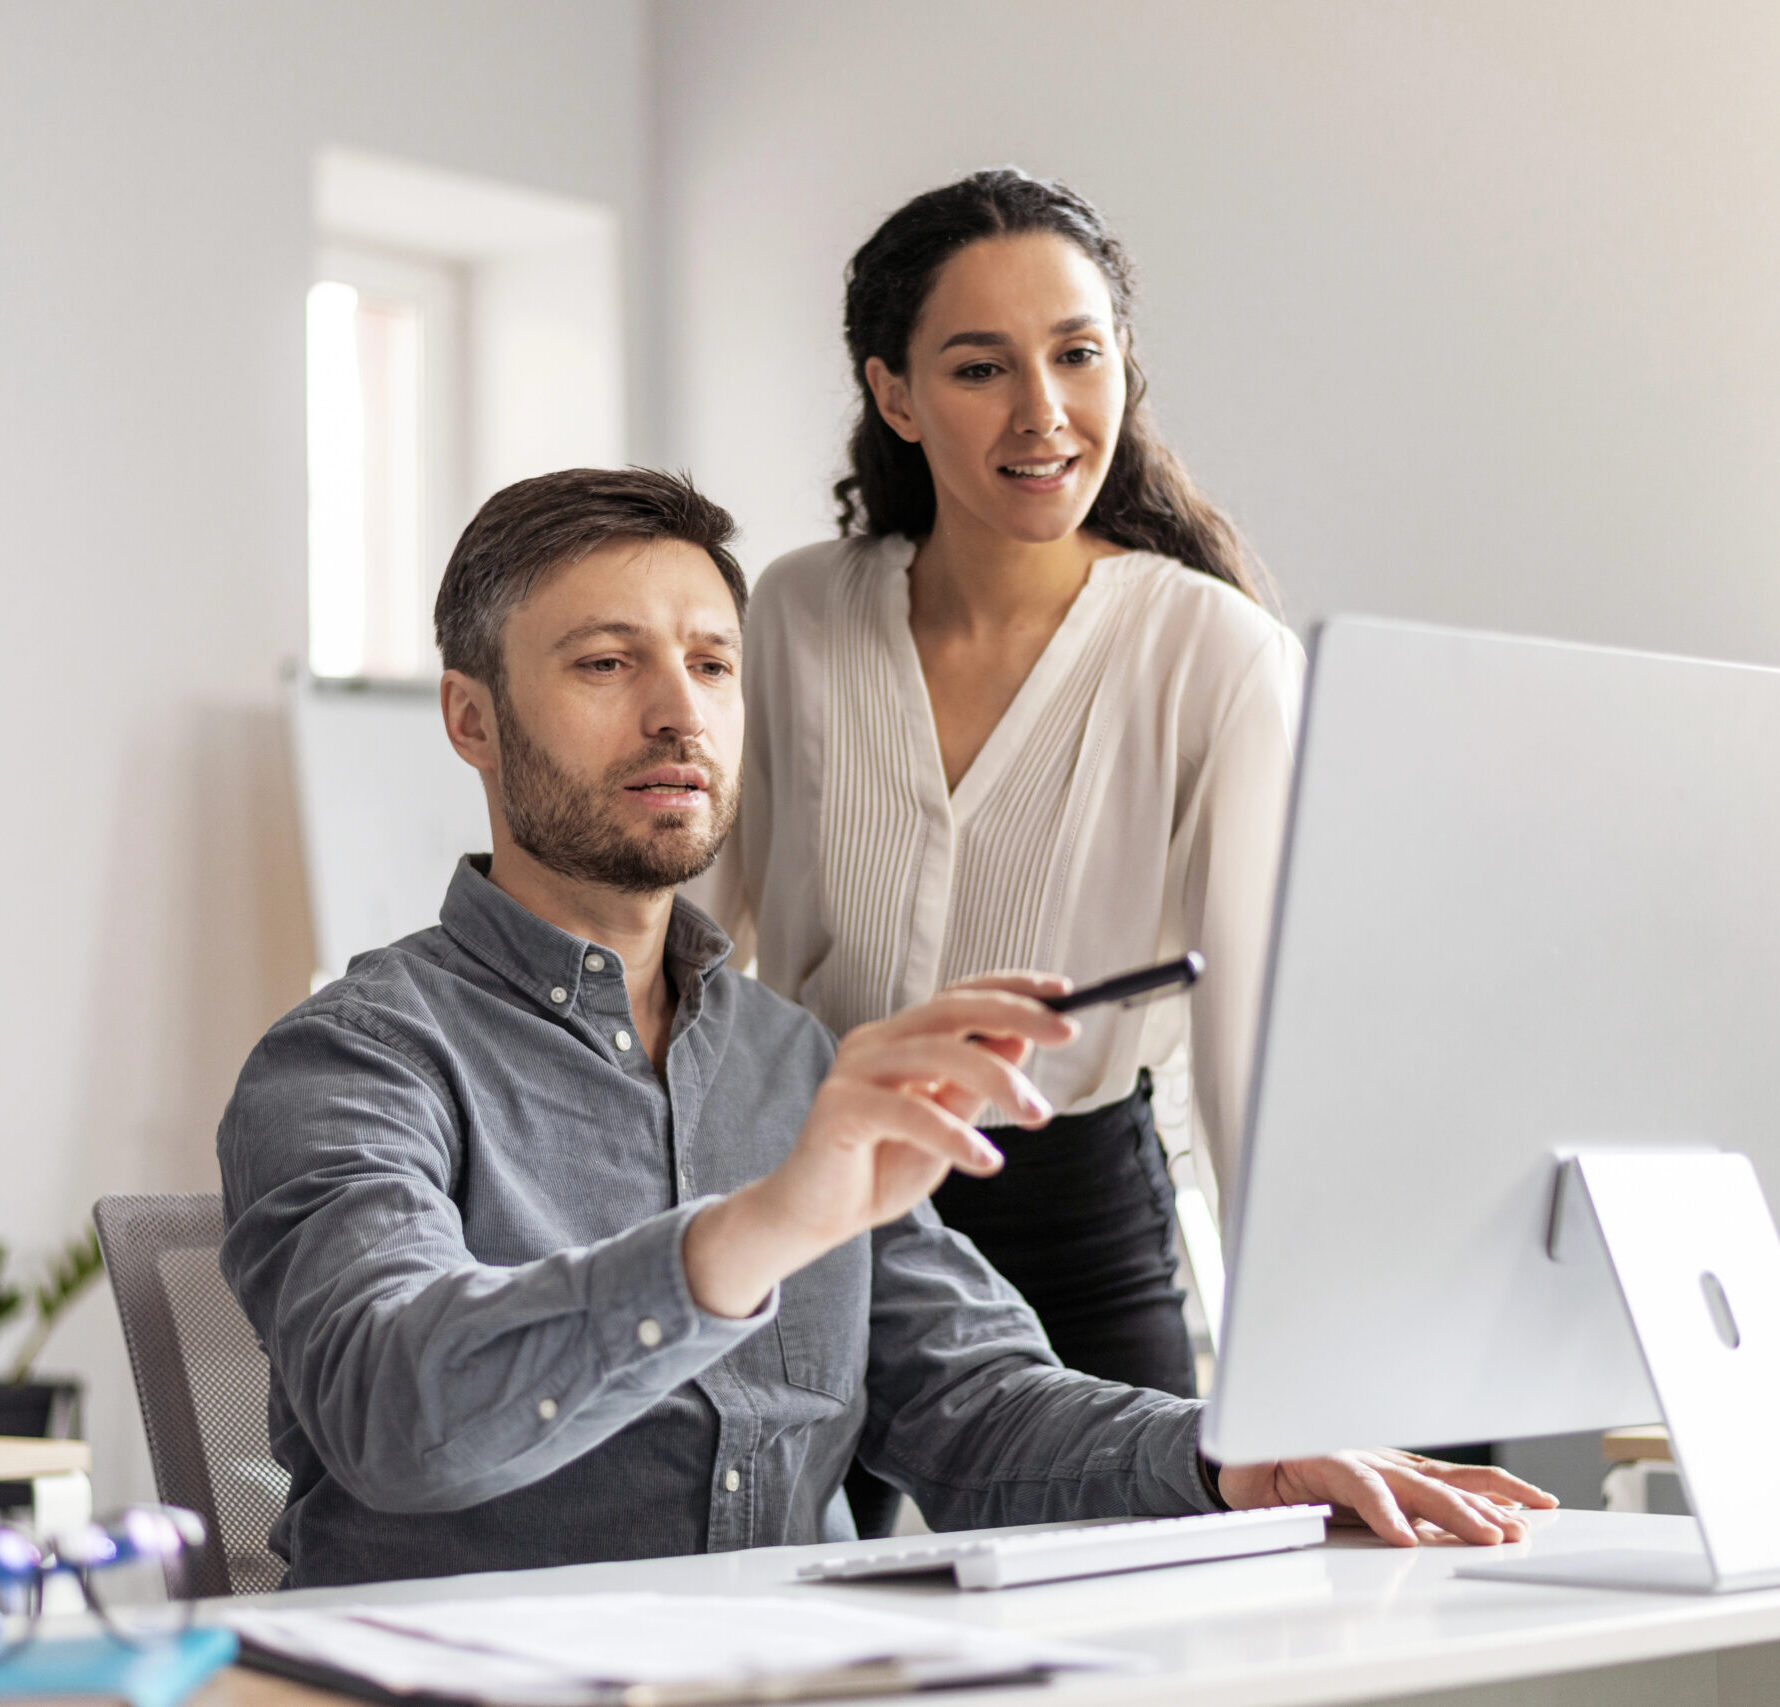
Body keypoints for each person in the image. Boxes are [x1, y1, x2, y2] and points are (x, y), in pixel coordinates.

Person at [217, 467, 1548, 1589]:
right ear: (471, 718)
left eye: (713, 662)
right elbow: (396, 1412)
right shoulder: (352, 1058)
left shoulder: (788, 1060)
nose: (678, 709)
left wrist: (1234, 1456)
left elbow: (971, 1407)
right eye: (607, 662)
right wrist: (765, 1225)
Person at [712, 170, 1298, 1418]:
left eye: (1076, 355)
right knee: (778, 1602)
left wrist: (1294, 1381)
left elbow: (1250, 1050)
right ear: (895, 396)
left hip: (1076, 1231)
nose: (1043, 413)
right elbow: (699, 947)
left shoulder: (1218, 655)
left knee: (1127, 1601)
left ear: (1121, 366)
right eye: (980, 369)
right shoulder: (796, 611)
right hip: (809, 1202)